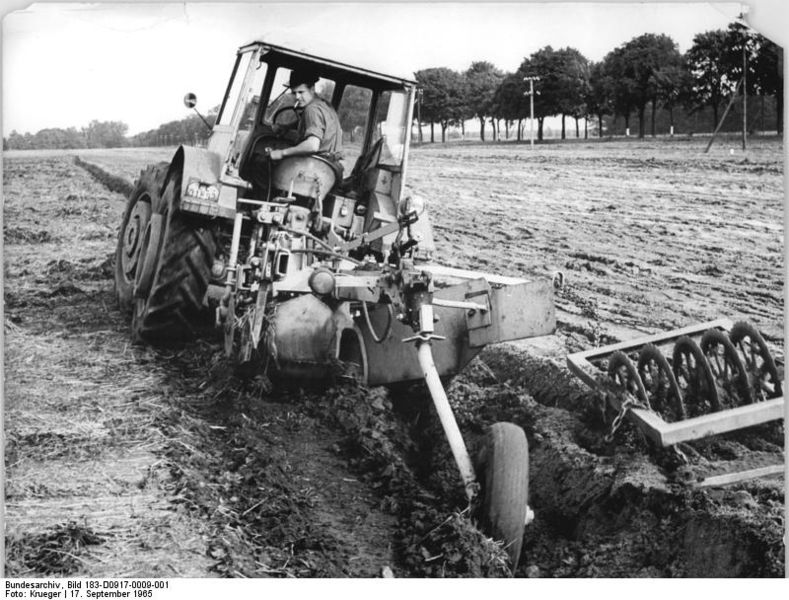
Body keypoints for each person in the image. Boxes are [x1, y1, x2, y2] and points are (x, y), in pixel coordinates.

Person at [268, 69, 343, 163]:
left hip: (314, 165)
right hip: (331, 164)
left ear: (312, 89)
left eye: (301, 92)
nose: (297, 97)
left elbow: (312, 146)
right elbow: (315, 124)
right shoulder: (325, 105)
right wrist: (287, 127)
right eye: (294, 93)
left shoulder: (311, 109)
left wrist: (282, 153)